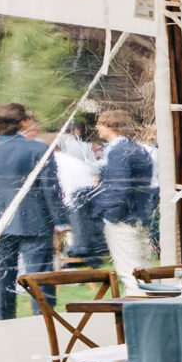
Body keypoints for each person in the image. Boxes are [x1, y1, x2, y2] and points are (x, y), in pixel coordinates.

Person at [0, 102, 60, 318]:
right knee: (40, 278)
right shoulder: (37, 149)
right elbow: (50, 189)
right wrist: (60, 220)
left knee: (0, 279)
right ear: (23, 122)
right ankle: (45, 322)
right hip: (34, 221)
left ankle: (2, 324)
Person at [93, 109, 156, 290]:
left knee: (130, 272)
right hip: (136, 216)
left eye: (100, 123)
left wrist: (111, 215)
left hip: (123, 219)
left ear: (111, 126)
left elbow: (119, 188)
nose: (97, 127)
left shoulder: (118, 151)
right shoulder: (136, 149)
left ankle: (138, 312)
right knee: (143, 271)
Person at [51, 118, 107, 267]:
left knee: (79, 226)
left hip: (73, 192)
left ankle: (79, 252)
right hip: (86, 187)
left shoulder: (57, 156)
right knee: (85, 225)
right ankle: (88, 253)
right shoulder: (75, 152)